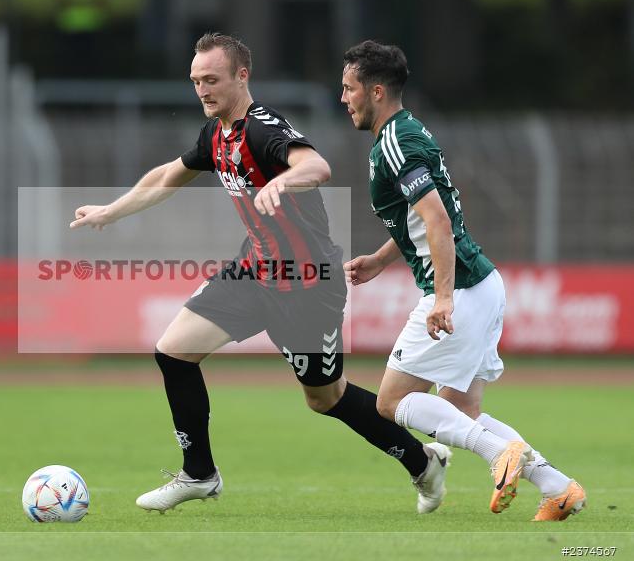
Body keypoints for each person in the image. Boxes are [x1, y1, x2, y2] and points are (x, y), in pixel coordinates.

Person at [71, 33, 452, 515]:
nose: (202, 90)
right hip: (254, 270)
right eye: (195, 81)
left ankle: (422, 460)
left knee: (325, 398)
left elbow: (317, 165)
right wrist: (112, 210)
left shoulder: (262, 129)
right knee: (173, 352)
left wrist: (283, 182)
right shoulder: (216, 136)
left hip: (308, 285)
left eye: (212, 80)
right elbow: (167, 176)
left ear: (242, 76)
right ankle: (199, 473)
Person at [340, 40, 586, 521]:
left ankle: (501, 456)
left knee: (392, 402)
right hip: (483, 284)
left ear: (375, 91)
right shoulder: (407, 132)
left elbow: (436, 219)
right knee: (463, 414)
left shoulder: (395, 143)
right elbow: (433, 216)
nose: (343, 98)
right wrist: (384, 258)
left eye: (348, 89)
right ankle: (559, 489)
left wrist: (443, 298)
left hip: (463, 291)